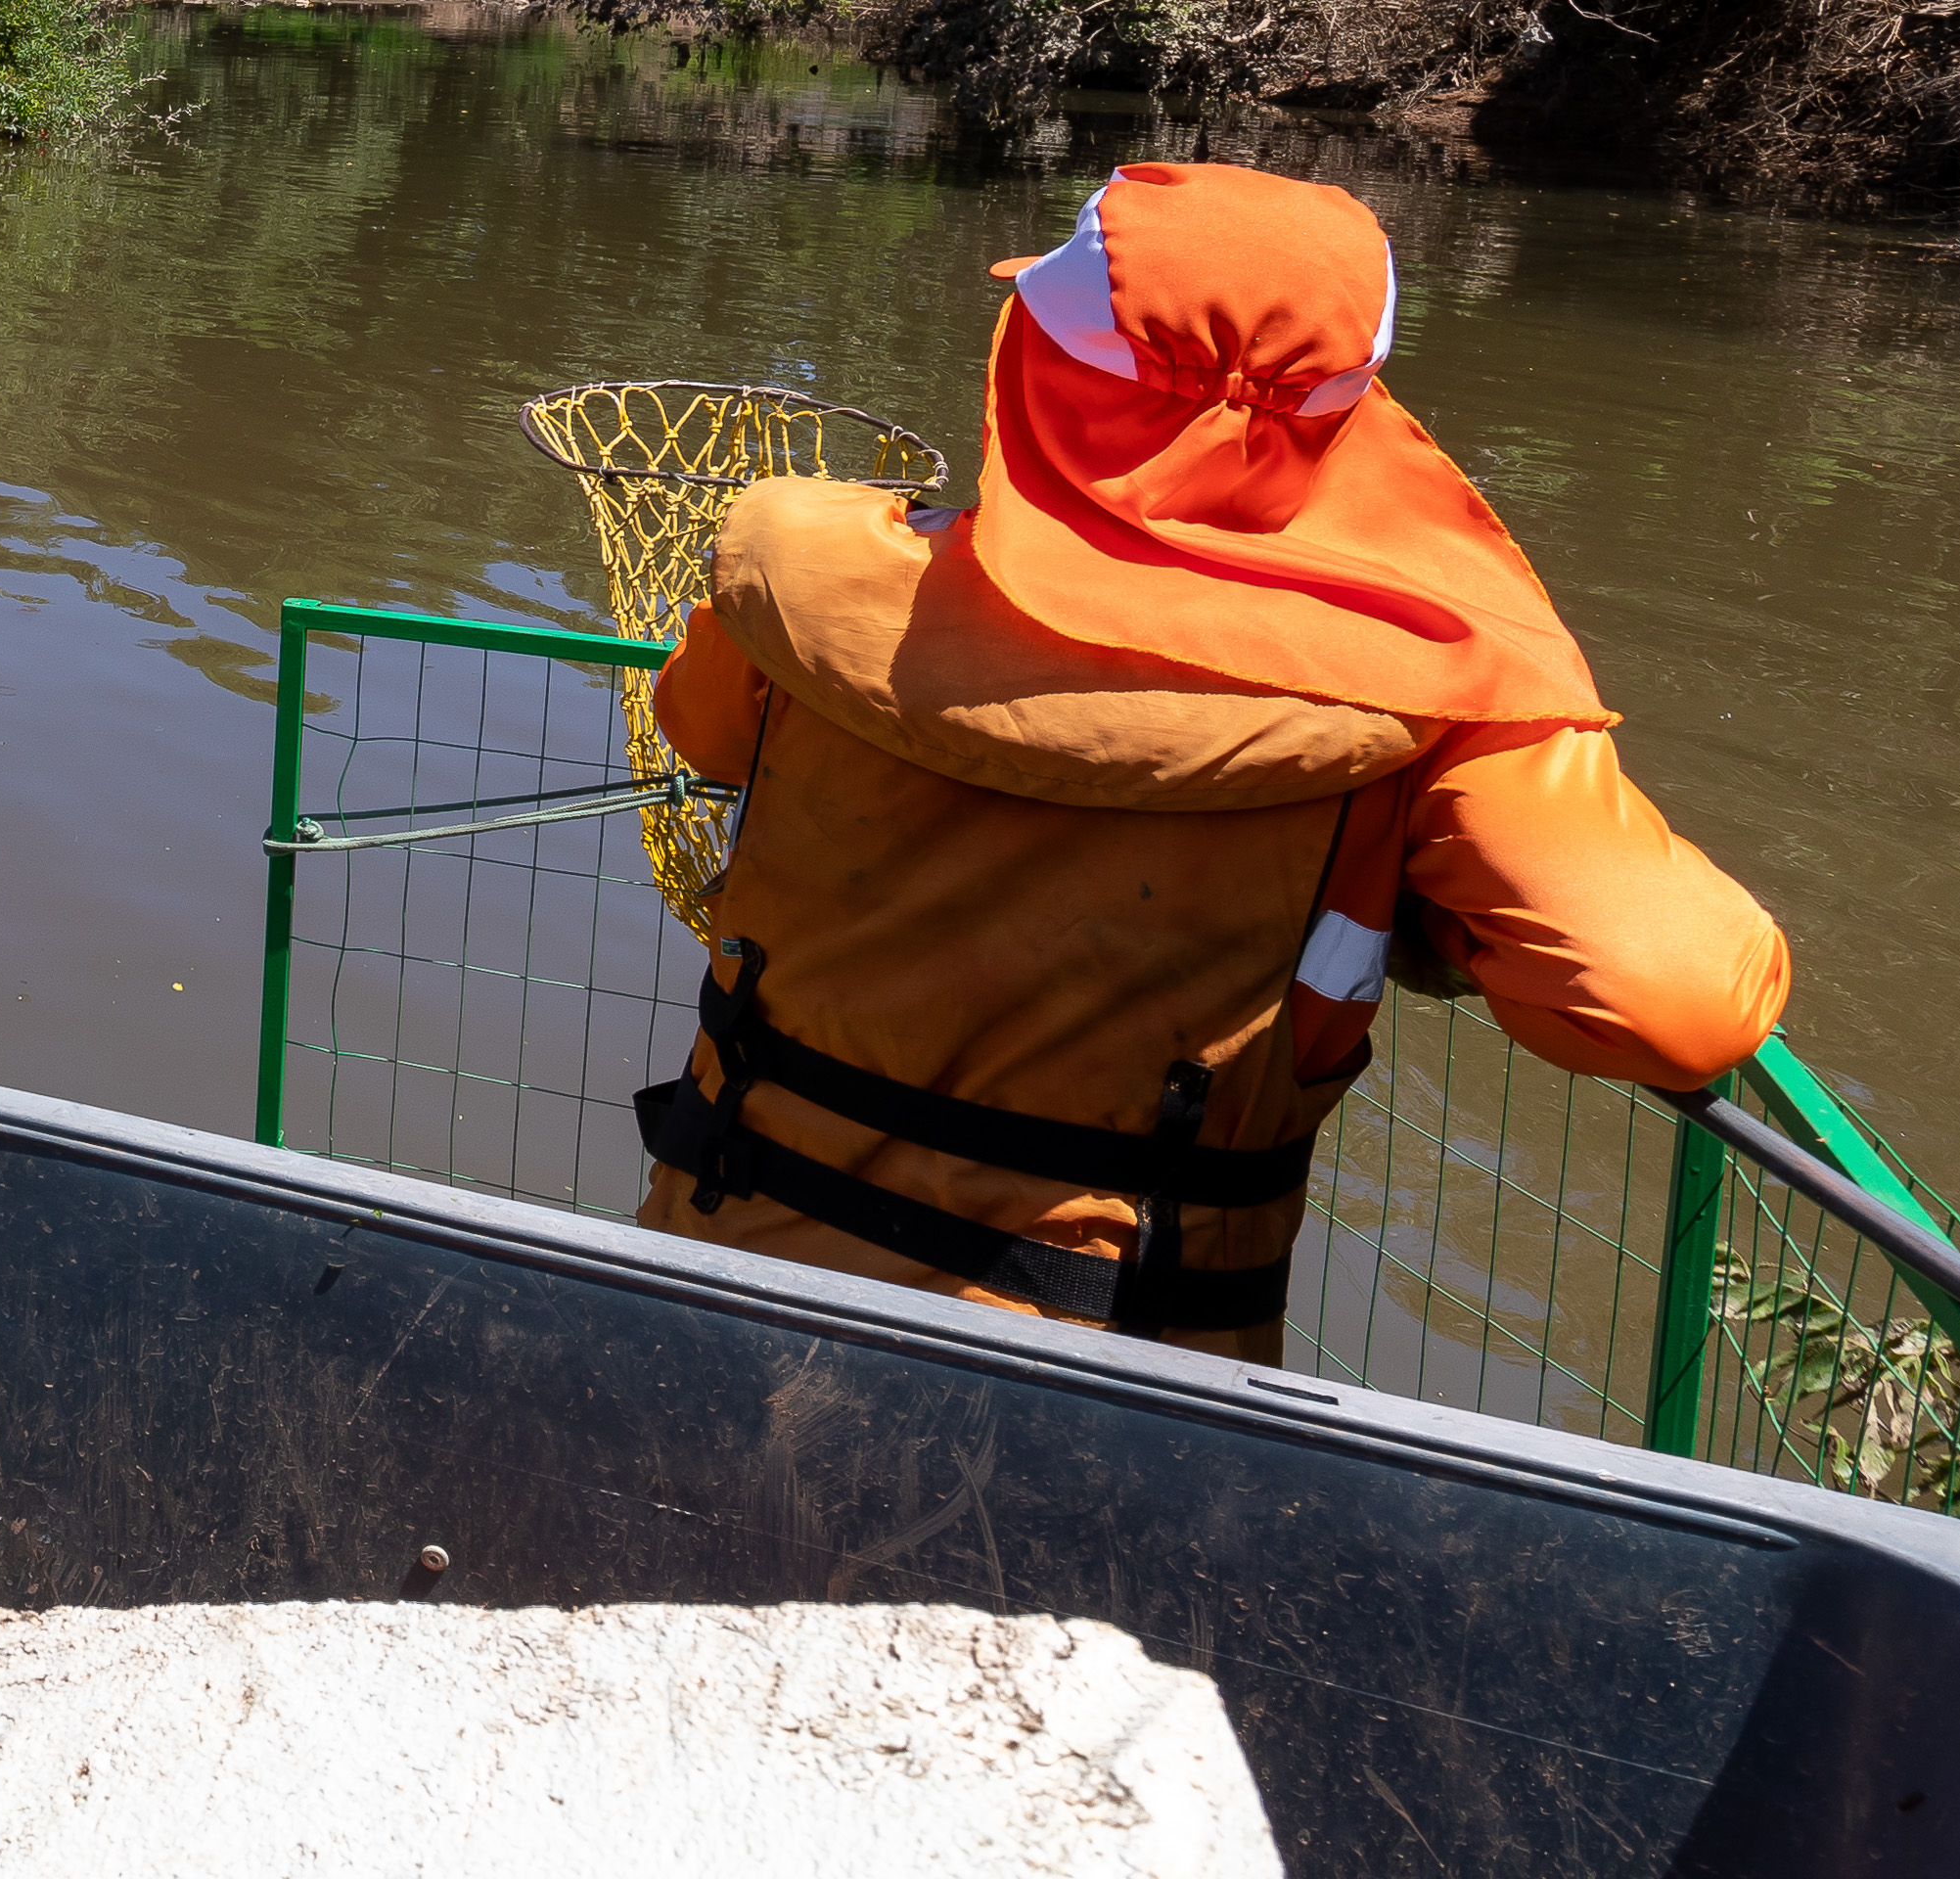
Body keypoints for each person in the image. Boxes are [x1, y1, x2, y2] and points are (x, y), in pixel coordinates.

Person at [634, 160, 1788, 1360]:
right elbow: (1675, 1003)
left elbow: (704, 728)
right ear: (1354, 419)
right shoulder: (1440, 710)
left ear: (1032, 365)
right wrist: (1422, 911)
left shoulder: (799, 569)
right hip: (1129, 1388)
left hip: (723, 1276)